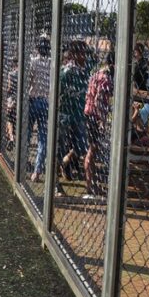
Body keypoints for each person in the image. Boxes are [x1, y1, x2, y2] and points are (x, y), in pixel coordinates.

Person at [57, 40, 90, 186]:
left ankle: (66, 160)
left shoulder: (86, 70)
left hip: (79, 113)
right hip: (65, 113)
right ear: (75, 55)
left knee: (82, 145)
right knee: (61, 144)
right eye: (82, 53)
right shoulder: (67, 72)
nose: (85, 56)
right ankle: (61, 174)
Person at [83, 52, 114, 198]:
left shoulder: (96, 74)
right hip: (95, 117)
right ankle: (90, 186)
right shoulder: (106, 79)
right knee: (92, 151)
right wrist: (102, 120)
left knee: (92, 150)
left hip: (88, 114)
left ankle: (92, 185)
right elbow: (99, 100)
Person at [27, 36, 52, 182]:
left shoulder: (34, 62)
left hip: (34, 98)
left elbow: (30, 80)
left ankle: (24, 163)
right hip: (46, 101)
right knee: (43, 137)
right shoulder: (52, 63)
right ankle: (37, 171)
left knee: (28, 132)